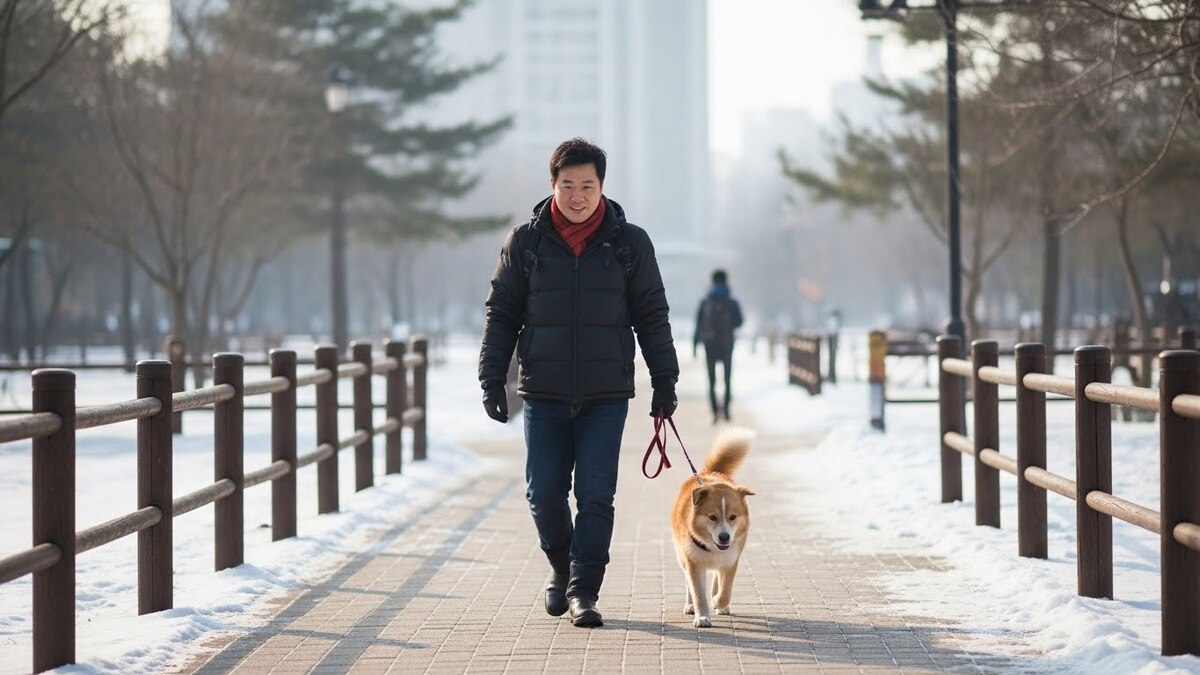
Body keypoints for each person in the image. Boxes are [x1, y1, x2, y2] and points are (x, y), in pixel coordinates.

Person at [478, 138, 680, 628]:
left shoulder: (629, 244)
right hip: (543, 392)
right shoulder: (525, 243)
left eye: (587, 185)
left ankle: (583, 592)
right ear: (553, 185)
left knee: (595, 496)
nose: (577, 196)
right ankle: (561, 568)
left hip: (605, 394)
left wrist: (664, 380)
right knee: (542, 494)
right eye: (567, 185)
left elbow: (651, 314)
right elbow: (501, 313)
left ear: (601, 186)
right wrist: (491, 377)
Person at [693, 269, 744, 423]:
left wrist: (695, 345)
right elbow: (740, 322)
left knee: (712, 380)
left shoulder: (706, 302)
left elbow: (698, 325)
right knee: (727, 380)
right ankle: (727, 411)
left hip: (710, 345)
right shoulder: (732, 302)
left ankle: (715, 412)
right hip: (727, 344)